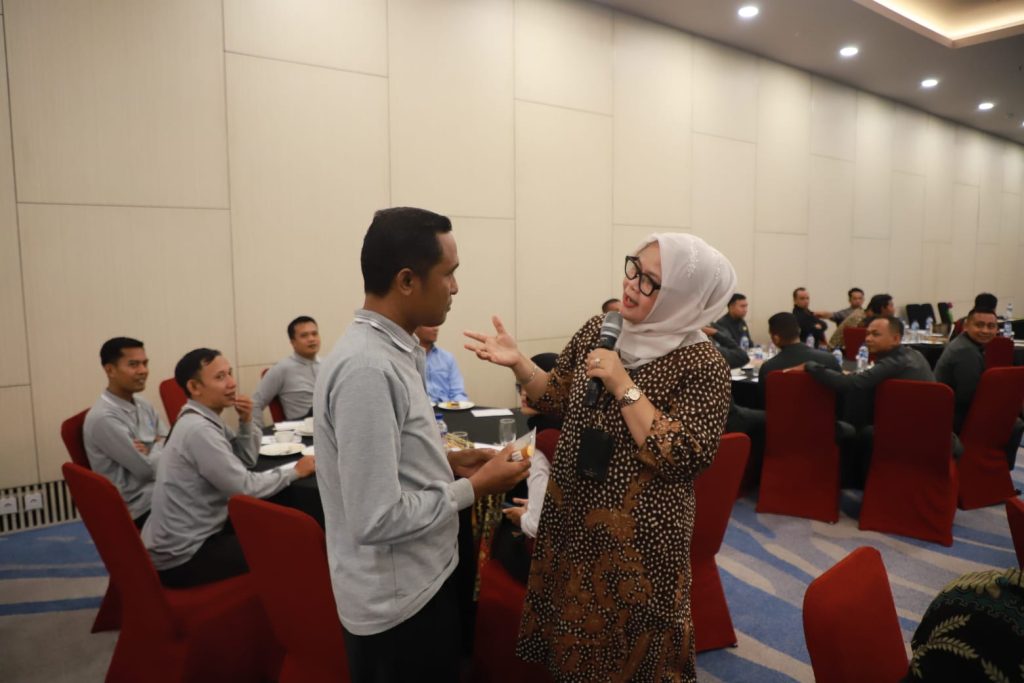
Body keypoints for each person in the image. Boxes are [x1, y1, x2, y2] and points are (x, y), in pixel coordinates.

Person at [466, 232, 735, 682]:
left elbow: (684, 456)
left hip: (639, 541)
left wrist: (623, 384)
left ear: (683, 299)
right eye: (634, 268)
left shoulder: (703, 365)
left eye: (651, 282)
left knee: (631, 654)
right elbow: (554, 394)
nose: (632, 284)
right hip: (573, 518)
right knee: (572, 644)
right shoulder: (601, 328)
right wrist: (519, 364)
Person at [314, 207, 529, 683]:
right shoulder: (368, 369)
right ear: (407, 281)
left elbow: (391, 459)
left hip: (421, 579)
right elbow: (375, 517)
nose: (455, 287)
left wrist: (447, 461)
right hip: (398, 605)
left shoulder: (397, 350)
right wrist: (475, 488)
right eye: (448, 273)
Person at [143, 348, 314, 588]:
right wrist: (295, 471)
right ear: (194, 387)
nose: (232, 383)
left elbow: (245, 461)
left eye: (230, 373)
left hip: (189, 536)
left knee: (273, 528)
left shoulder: (200, 417)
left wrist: (246, 421)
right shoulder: (199, 430)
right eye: (220, 377)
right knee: (291, 544)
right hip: (185, 554)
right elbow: (245, 487)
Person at [83, 337, 169, 528]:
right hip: (141, 507)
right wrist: (157, 444)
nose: (143, 370)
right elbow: (146, 471)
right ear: (110, 370)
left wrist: (150, 448)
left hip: (162, 489)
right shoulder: (104, 418)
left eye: (145, 363)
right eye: (133, 364)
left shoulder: (143, 404)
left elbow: (170, 441)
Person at [934, 308, 1022, 468]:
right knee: (1014, 424)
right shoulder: (965, 351)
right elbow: (969, 397)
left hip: (954, 410)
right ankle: (995, 468)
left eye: (991, 326)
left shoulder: (967, 344)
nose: (985, 331)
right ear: (966, 326)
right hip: (952, 417)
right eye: (979, 325)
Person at [251, 315, 321, 426]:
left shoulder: (328, 365)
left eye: (314, 334)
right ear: (293, 342)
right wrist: (258, 433)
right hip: (302, 431)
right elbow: (255, 403)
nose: (311, 339)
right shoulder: (281, 369)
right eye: (304, 335)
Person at [760, 312, 840, 401]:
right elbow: (840, 398)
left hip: (784, 410)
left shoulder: (768, 368)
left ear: (776, 338)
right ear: (799, 331)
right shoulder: (829, 360)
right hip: (823, 410)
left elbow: (764, 403)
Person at [415, 325, 469, 404]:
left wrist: (459, 406)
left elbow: (458, 392)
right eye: (431, 324)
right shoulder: (407, 358)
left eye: (436, 325)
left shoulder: (447, 358)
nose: (436, 328)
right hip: (420, 408)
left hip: (447, 408)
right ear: (416, 328)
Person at [828, 293, 894, 350]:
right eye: (891, 306)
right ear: (883, 308)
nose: (893, 309)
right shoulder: (861, 319)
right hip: (838, 352)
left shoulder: (863, 314)